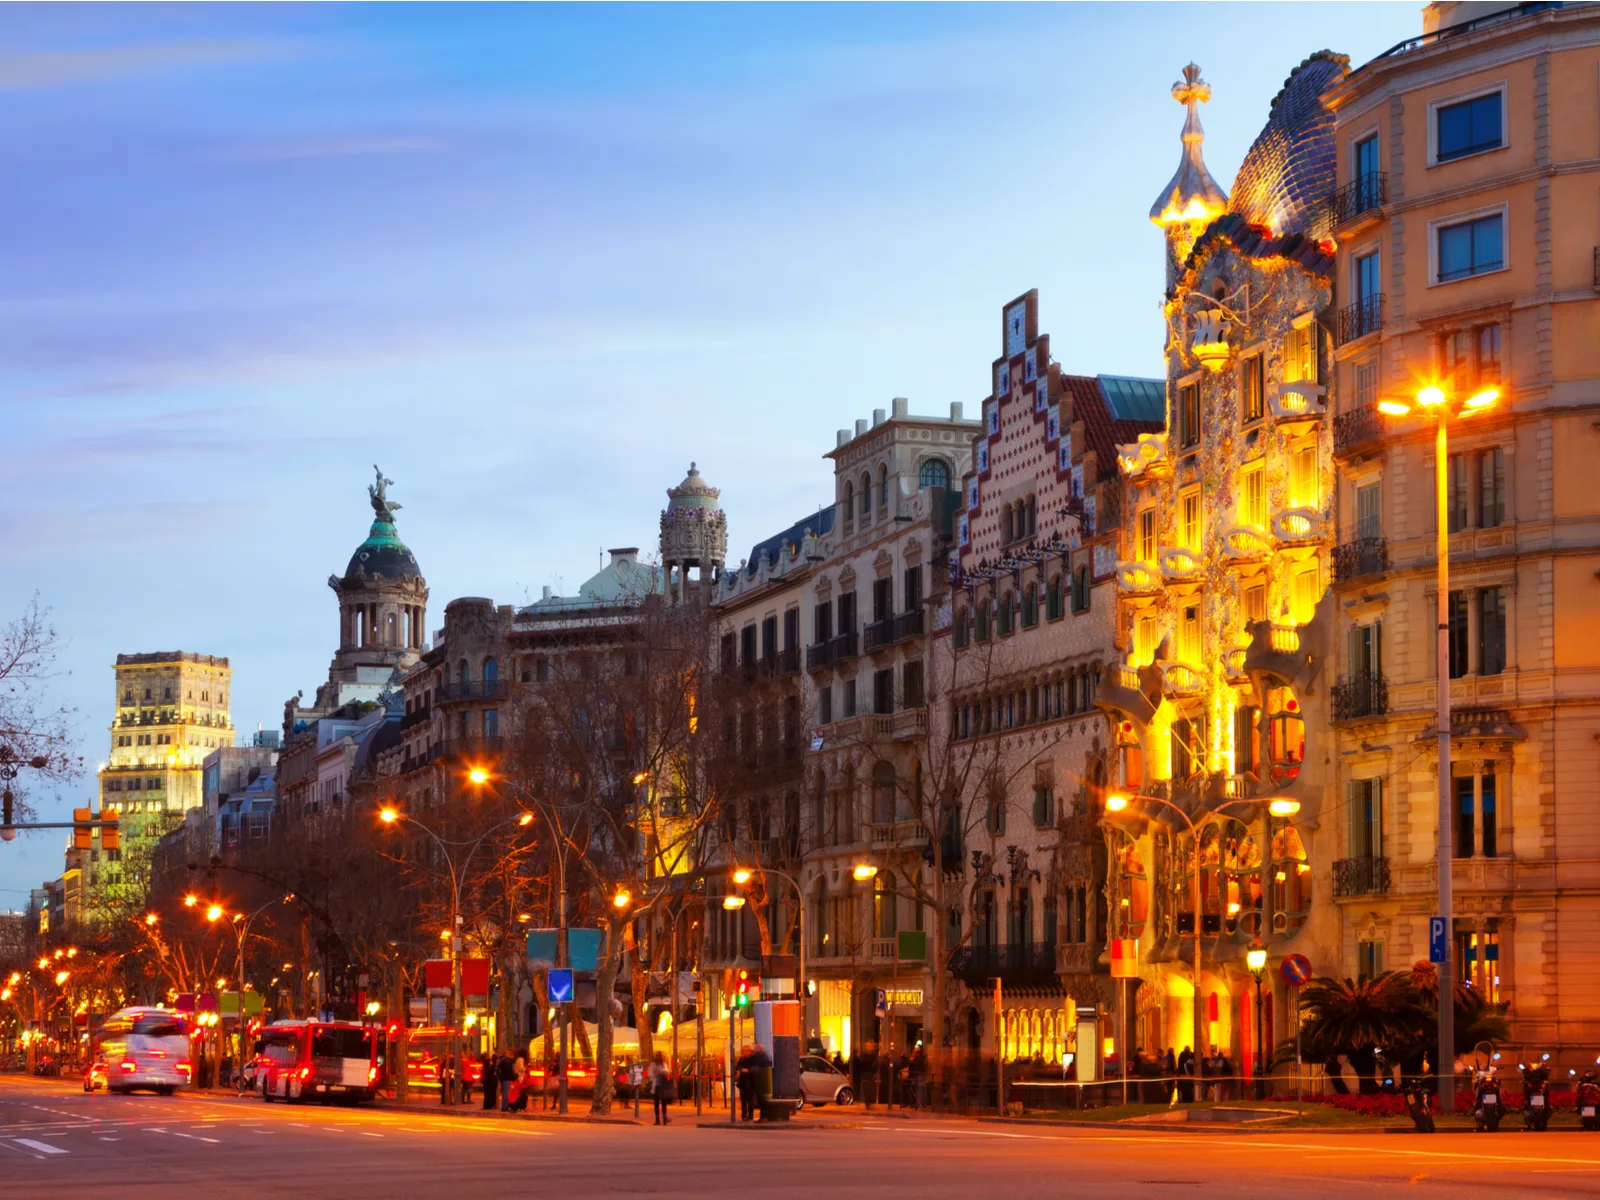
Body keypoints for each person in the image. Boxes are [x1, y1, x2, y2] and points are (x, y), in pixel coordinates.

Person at [648, 1051, 675, 1125]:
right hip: (656, 1085)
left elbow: (666, 1071)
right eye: (657, 1056)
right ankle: (657, 1120)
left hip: (663, 1085)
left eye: (659, 1056)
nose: (658, 1057)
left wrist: (664, 1072)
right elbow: (650, 1074)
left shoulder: (664, 1064)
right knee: (656, 1103)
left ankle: (664, 1119)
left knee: (664, 1102)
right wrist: (657, 1074)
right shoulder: (652, 1065)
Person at [735, 1045, 757, 1122]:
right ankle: (744, 1115)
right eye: (744, 1051)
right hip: (743, 1082)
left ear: (750, 1052)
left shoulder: (754, 1059)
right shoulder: (741, 1059)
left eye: (747, 1050)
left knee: (750, 1100)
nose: (746, 1052)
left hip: (751, 1082)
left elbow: (756, 1068)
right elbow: (737, 1067)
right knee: (743, 1100)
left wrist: (749, 1070)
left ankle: (750, 1115)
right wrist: (740, 1070)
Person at [908, 1043, 929, 1111]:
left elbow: (915, 1065)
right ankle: (924, 1103)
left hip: (917, 1074)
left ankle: (918, 1104)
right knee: (923, 1089)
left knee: (919, 1089)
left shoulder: (917, 1057)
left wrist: (912, 1061)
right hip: (922, 1074)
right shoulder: (924, 1056)